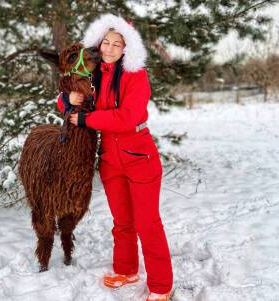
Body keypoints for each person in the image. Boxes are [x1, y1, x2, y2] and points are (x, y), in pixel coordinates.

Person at [56, 14, 173, 301]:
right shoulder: (95, 75)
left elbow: (127, 117)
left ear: (126, 48)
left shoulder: (136, 76)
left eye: (116, 44)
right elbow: (67, 97)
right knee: (122, 222)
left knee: (148, 223)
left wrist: (86, 119)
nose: (109, 49)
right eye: (105, 43)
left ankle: (161, 286)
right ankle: (126, 270)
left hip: (139, 156)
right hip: (110, 159)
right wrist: (66, 101)